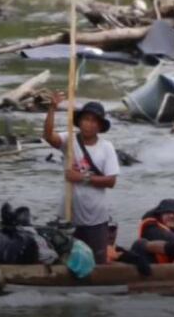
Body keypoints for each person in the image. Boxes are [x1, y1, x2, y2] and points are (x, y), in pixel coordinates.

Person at [43, 95, 120, 265]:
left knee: (96, 264)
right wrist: (52, 109)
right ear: (80, 121)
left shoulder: (106, 148)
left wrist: (82, 177)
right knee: (67, 262)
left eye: (94, 121)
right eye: (86, 119)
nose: (89, 124)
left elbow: (111, 181)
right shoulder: (69, 140)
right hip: (69, 217)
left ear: (99, 126)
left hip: (96, 219)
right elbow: (48, 136)